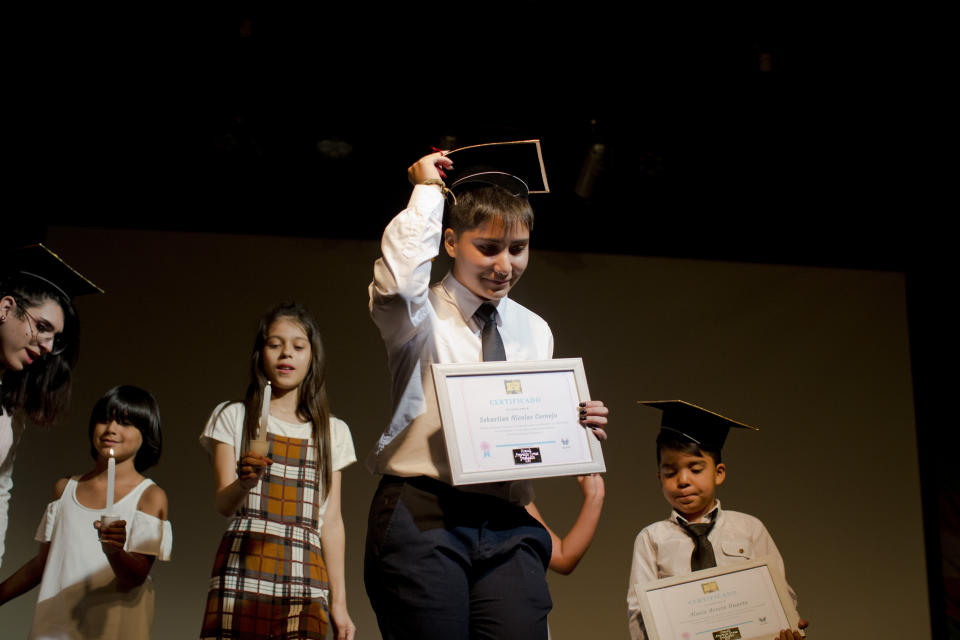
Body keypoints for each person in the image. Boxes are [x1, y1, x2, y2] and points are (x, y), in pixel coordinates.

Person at [364, 146, 610, 640]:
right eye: (489, 248)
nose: (504, 265)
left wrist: (575, 423)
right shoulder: (417, 313)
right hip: (426, 511)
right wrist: (427, 195)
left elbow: (527, 431)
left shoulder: (533, 329)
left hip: (508, 519)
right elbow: (395, 285)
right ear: (451, 242)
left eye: (517, 249)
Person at [199, 302, 357, 640]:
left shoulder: (332, 431)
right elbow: (224, 504)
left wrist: (339, 604)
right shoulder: (234, 417)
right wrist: (245, 482)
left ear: (312, 356)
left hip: (304, 571)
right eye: (275, 344)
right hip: (243, 565)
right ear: (261, 354)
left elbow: (331, 521)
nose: (286, 354)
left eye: (298, 346)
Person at [627, 400, 809, 640]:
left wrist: (787, 623)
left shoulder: (749, 528)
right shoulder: (651, 538)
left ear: (719, 472)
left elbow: (780, 593)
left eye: (695, 469)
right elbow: (639, 611)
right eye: (671, 473)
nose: (683, 480)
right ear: (660, 477)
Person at [0, 385, 172, 639]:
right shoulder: (65, 489)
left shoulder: (149, 496)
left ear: (146, 434)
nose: (110, 429)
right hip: (52, 629)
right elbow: (42, 564)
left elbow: (135, 577)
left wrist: (114, 551)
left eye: (125, 422)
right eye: (104, 419)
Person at [0, 244, 101, 569]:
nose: (47, 346)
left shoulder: (10, 408)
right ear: (5, 308)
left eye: (55, 337)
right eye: (42, 327)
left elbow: (1, 488)